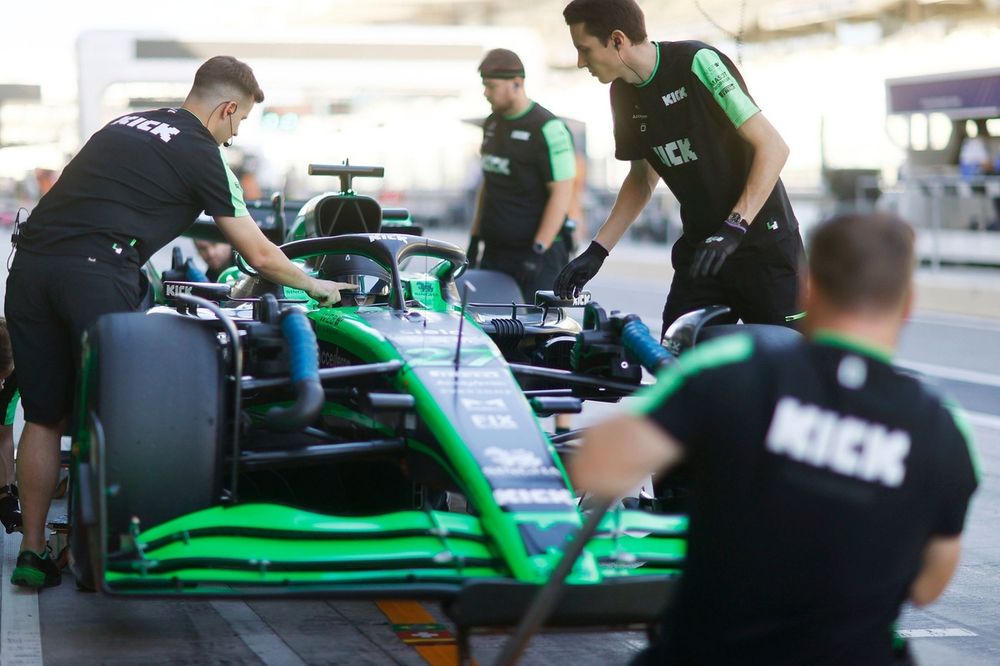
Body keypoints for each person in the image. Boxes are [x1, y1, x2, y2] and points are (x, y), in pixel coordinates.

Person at [5, 55, 354, 588]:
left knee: (45, 416)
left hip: (29, 267)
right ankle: (91, 549)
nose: (234, 137)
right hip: (97, 272)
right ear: (228, 108)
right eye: (238, 124)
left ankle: (32, 553)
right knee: (115, 413)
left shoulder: (124, 124)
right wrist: (317, 284)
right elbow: (259, 255)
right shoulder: (202, 153)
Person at [572, 213, 979, 665]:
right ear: (906, 304)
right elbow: (928, 586)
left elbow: (597, 467)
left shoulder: (734, 368)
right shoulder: (941, 427)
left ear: (808, 288)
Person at [556, 0, 805, 337]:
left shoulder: (698, 63)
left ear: (617, 40)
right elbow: (642, 179)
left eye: (584, 49)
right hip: (702, 252)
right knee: (676, 362)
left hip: (763, 246)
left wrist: (734, 228)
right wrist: (598, 251)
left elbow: (774, 147)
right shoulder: (622, 94)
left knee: (788, 364)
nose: (580, 61)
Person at [466, 48, 577, 301]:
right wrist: (474, 239)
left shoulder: (549, 128)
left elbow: (562, 192)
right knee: (493, 330)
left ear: (517, 83)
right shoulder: (491, 123)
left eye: (491, 86)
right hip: (496, 252)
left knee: (536, 334)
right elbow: (489, 183)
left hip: (537, 257)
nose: (485, 93)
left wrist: (538, 250)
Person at [0, 318, 20, 534]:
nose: (1, 385)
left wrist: (6, 495)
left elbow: (4, 436)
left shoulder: (16, 376)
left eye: (3, 379)